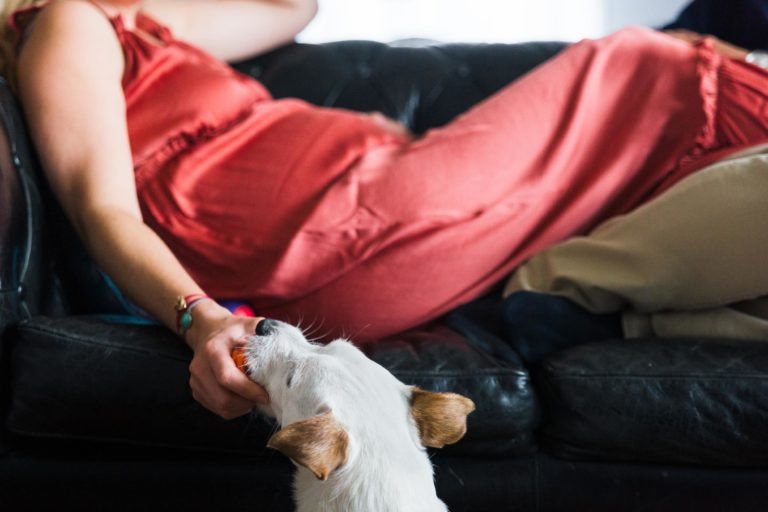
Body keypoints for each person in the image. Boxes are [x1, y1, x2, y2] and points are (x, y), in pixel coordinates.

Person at [2, 0, 768, 420]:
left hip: (364, 235)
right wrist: (202, 318)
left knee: (688, 169)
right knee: (649, 64)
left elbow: (290, 9)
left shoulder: (129, 18)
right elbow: (105, 209)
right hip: (336, 222)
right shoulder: (64, 24)